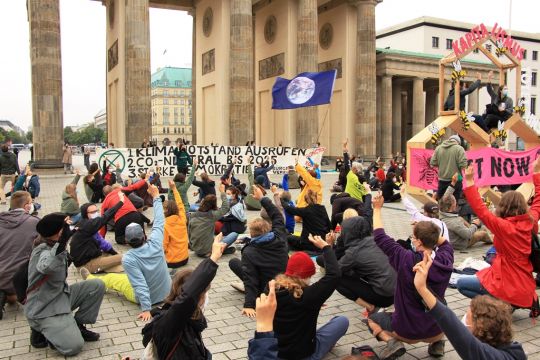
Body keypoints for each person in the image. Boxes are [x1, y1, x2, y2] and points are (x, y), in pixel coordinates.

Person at [368, 193, 454, 359]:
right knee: (441, 305)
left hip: (406, 331)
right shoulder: (446, 258)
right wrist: (428, 230)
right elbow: (443, 242)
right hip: (437, 329)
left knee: (372, 320)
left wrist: (377, 209)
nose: (412, 240)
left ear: (419, 242)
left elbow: (379, 236)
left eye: (414, 237)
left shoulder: (406, 259)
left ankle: (393, 343)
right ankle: (437, 344)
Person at [456, 162, 540, 313]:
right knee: (480, 276)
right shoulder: (531, 221)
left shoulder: (503, 227)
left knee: (462, 284)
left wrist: (469, 181)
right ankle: (509, 303)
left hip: (506, 282)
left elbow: (481, 210)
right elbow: (538, 202)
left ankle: (502, 305)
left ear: (503, 207)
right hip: (524, 283)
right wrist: (536, 172)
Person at [414, 251, 527, 360]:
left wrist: (422, 288)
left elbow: (451, 324)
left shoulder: (488, 356)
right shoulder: (511, 350)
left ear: (480, 329)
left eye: (467, 319)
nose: (462, 322)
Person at [25, 213, 105, 355]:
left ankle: (78, 325)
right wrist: (62, 243)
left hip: (61, 296)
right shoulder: (41, 249)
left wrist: (67, 237)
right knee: (74, 346)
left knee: (96, 285)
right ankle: (40, 329)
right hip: (44, 308)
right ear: (57, 232)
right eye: (65, 226)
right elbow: (47, 266)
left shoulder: (53, 243)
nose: (68, 227)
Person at [144, 234, 227, 359]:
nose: (206, 298)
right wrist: (213, 258)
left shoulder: (190, 317)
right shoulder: (170, 321)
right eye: (204, 293)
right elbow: (188, 296)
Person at [273, 235, 349, 360]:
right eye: (310, 276)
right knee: (341, 321)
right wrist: (326, 247)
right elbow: (334, 275)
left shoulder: (272, 290)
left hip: (277, 353)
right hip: (304, 354)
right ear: (304, 277)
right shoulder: (310, 296)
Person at [229, 186, 289, 318]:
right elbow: (277, 215)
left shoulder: (249, 251)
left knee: (234, 262)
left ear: (251, 233)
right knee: (241, 265)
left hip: (265, 288)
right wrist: (262, 198)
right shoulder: (280, 235)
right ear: (268, 229)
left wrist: (249, 304)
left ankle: (254, 294)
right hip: (282, 282)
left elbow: (250, 278)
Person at [122, 184, 172, 321]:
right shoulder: (155, 242)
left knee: (115, 280)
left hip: (149, 300)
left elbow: (140, 284)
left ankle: (92, 277)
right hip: (166, 294)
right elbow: (159, 221)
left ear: (126, 242)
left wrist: (146, 309)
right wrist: (156, 196)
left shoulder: (128, 259)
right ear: (144, 236)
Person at [331, 216, 396, 314]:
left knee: (336, 279)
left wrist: (329, 246)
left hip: (385, 297)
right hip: (399, 292)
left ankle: (371, 307)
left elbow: (334, 270)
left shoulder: (354, 251)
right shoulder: (377, 239)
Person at [0, 191, 39, 319]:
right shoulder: (34, 223)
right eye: (31, 202)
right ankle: (13, 294)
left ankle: (5, 293)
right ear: (27, 206)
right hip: (20, 279)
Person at [70, 192, 125, 274]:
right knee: (125, 257)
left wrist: (113, 253)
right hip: (86, 264)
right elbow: (106, 216)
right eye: (92, 212)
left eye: (96, 211)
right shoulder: (88, 225)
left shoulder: (85, 224)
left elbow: (103, 243)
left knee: (114, 257)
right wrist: (121, 202)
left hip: (92, 257)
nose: (95, 213)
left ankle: (110, 266)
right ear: (86, 214)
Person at [439, 175, 492, 250]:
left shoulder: (441, 209)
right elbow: (467, 235)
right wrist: (475, 225)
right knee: (482, 234)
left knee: (461, 218)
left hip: (451, 237)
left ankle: (472, 229)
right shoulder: (455, 223)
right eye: (455, 202)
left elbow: (446, 195)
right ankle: (492, 240)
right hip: (459, 244)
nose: (456, 203)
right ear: (452, 206)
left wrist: (453, 183)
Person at [189, 184, 233, 257]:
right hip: (207, 249)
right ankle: (218, 251)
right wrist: (222, 192)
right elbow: (226, 207)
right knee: (233, 235)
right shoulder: (212, 215)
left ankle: (214, 250)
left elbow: (189, 232)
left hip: (195, 248)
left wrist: (191, 245)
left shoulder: (192, 215)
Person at [100, 179, 148, 244]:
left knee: (118, 238)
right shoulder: (120, 190)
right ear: (112, 189)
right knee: (141, 232)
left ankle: (128, 241)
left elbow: (103, 223)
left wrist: (101, 239)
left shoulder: (104, 203)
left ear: (104, 195)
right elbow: (134, 186)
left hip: (121, 220)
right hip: (135, 214)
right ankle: (143, 237)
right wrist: (144, 180)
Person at [430, 134, 468, 201]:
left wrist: (442, 165)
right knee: (454, 203)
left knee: (442, 203)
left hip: (442, 180)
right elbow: (463, 165)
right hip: (456, 180)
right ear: (458, 142)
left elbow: (432, 163)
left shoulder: (438, 148)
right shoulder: (459, 149)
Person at [163, 180, 189, 269]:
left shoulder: (165, 226)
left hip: (172, 261)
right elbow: (180, 204)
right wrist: (174, 188)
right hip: (185, 258)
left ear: (165, 211)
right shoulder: (182, 218)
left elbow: (164, 247)